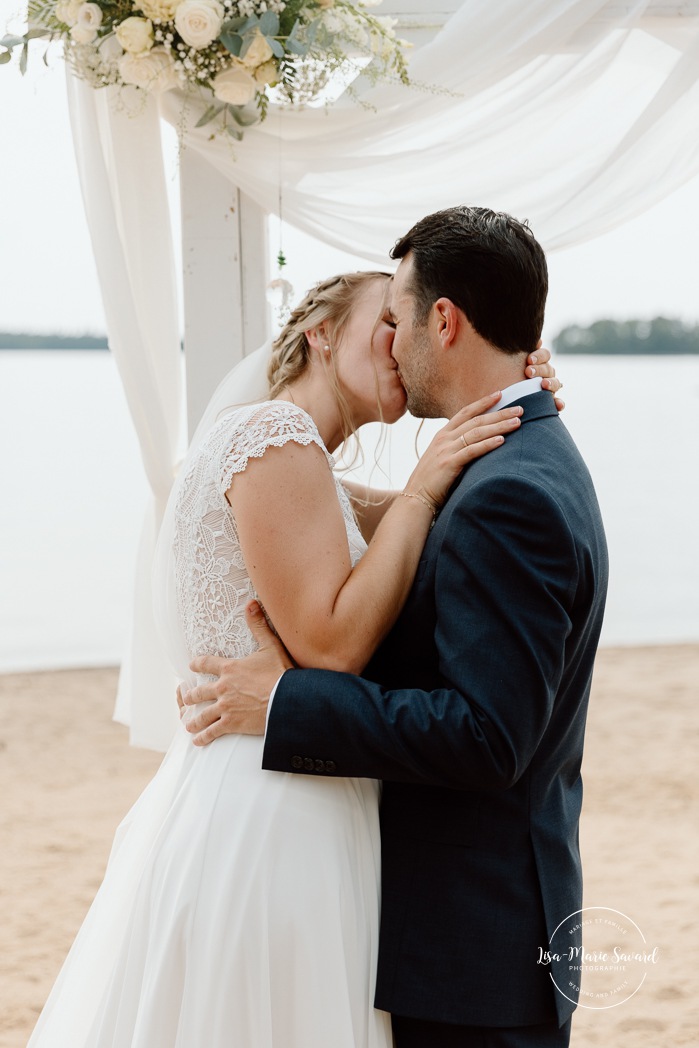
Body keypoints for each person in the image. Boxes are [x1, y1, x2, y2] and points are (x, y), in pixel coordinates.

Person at [27, 267, 561, 1048]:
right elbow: (333, 645)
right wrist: (417, 490)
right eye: (384, 321)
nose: (400, 342)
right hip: (268, 805)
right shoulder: (273, 441)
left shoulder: (302, 460)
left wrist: (518, 389)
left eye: (409, 324)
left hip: (290, 781)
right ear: (319, 334)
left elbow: (441, 527)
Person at [181, 207, 609, 1048]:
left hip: (472, 955)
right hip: (456, 937)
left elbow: (488, 738)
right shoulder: (502, 461)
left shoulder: (508, 489)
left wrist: (285, 703)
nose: (391, 341)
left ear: (441, 322)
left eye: (398, 317)